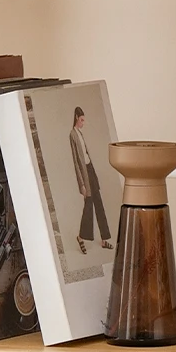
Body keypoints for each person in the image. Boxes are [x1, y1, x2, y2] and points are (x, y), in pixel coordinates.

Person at [70, 106, 111, 253]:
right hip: (85, 174)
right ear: (76, 117)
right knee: (89, 204)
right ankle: (81, 237)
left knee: (99, 202)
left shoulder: (80, 133)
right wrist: (81, 184)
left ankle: (105, 239)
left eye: (84, 120)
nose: (83, 123)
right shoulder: (73, 135)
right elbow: (76, 162)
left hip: (91, 170)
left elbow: (86, 155)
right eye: (81, 120)